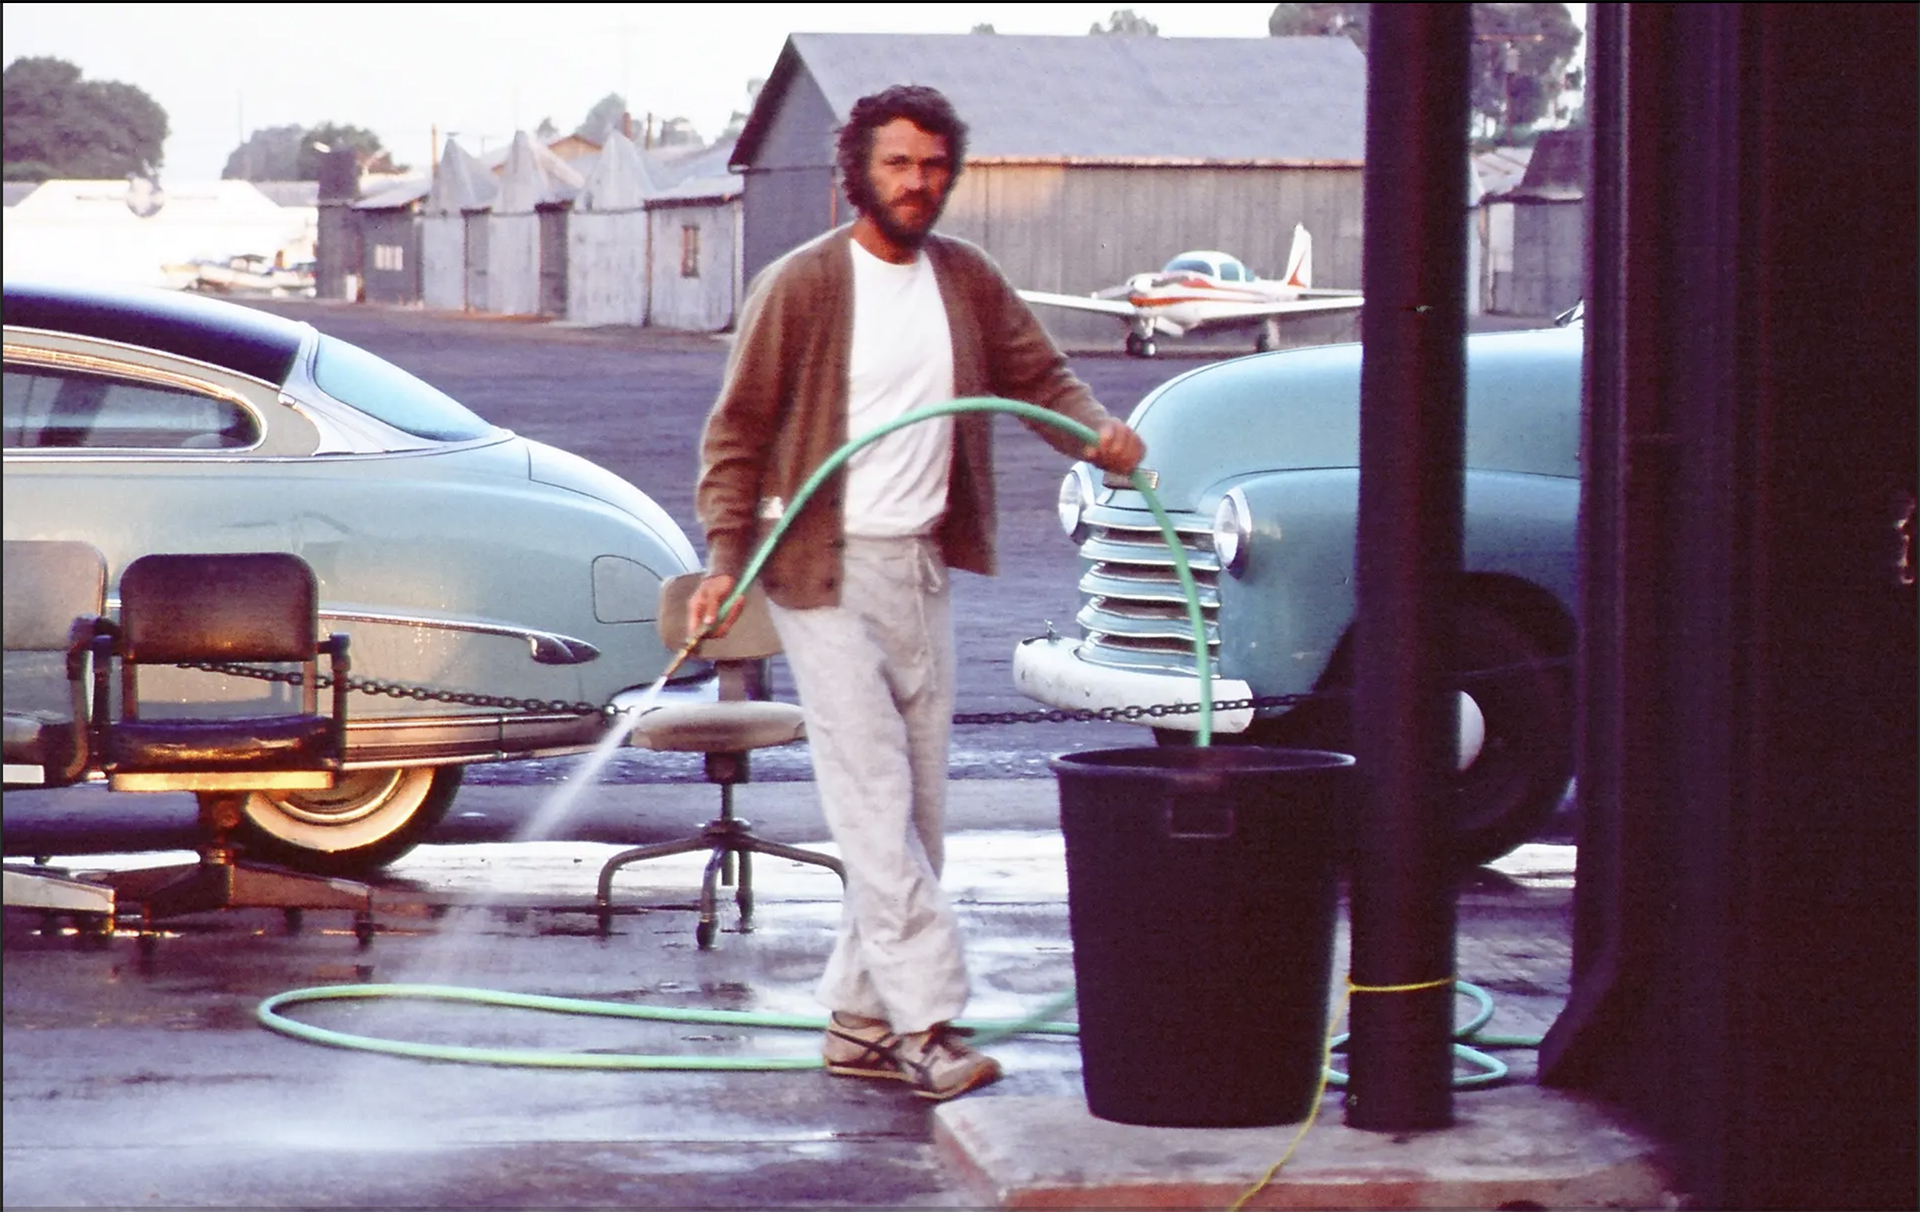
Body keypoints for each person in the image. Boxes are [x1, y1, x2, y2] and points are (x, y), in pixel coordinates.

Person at [687, 84, 1145, 1102]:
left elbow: (1041, 378)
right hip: (823, 574)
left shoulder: (967, 280)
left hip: (921, 571)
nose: (917, 182)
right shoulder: (801, 286)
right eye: (898, 163)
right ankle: (927, 1026)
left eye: (934, 166)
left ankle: (858, 1021)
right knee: (874, 800)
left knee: (917, 816)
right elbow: (736, 435)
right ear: (857, 171)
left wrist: (1099, 435)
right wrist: (724, 558)